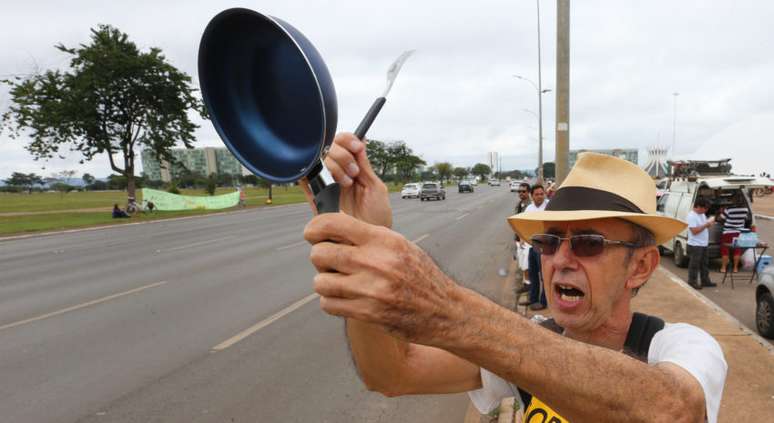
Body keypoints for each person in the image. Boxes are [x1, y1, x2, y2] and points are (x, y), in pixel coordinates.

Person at [301, 136, 726, 423]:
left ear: (642, 266)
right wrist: (363, 244)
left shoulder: (681, 346)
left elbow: (671, 409)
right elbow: (393, 373)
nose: (560, 259)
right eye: (547, 241)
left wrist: (448, 308)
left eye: (589, 243)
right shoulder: (525, 347)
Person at [524, 184, 548, 310]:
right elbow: (524, 225)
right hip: (532, 245)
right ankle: (533, 299)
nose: (540, 196)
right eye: (537, 194)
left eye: (541, 194)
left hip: (545, 246)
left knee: (544, 275)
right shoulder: (529, 208)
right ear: (532, 196)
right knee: (533, 274)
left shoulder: (550, 207)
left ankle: (544, 302)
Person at [686, 197, 716, 289]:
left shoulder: (702, 215)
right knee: (694, 265)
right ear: (698, 207)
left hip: (703, 244)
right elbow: (694, 231)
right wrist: (706, 225)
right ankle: (692, 281)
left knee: (704, 263)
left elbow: (703, 226)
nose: (706, 210)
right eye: (705, 208)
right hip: (695, 244)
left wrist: (709, 223)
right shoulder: (691, 216)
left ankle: (705, 280)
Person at [718, 192, 750, 273]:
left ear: (734, 200)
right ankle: (735, 268)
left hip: (728, 233)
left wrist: (721, 212)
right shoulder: (745, 209)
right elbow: (745, 219)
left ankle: (723, 268)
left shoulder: (729, 209)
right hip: (739, 233)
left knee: (725, 249)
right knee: (737, 250)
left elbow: (720, 219)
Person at [514, 182, 532, 294]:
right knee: (522, 262)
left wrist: (522, 238)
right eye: (519, 191)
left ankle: (528, 284)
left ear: (529, 192)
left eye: (523, 191)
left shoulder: (530, 206)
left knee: (526, 264)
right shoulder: (520, 204)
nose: (521, 193)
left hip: (525, 238)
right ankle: (526, 282)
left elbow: (526, 224)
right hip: (518, 238)